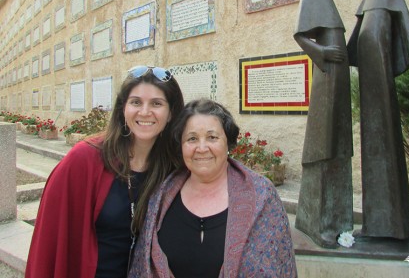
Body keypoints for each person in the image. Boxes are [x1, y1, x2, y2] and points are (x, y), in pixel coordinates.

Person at [25, 66, 185, 278]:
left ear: (171, 112)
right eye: (136, 102)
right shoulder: (84, 159)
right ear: (122, 109)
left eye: (156, 103)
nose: (145, 112)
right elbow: (48, 241)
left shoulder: (174, 167)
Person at [129, 99, 297, 277]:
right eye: (192, 139)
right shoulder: (161, 197)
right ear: (181, 146)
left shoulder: (262, 195)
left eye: (212, 137)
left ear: (228, 142)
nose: (202, 148)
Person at [347, 0, 409, 239]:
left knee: (384, 145)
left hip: (380, 78)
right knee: (372, 145)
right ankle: (377, 223)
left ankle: (392, 224)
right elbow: (358, 35)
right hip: (369, 78)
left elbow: (403, 21)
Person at [293, 0, 353, 249]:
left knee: (338, 142)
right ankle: (320, 222)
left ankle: (337, 219)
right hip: (327, 76)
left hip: (337, 76)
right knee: (325, 142)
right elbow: (301, 35)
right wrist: (324, 53)